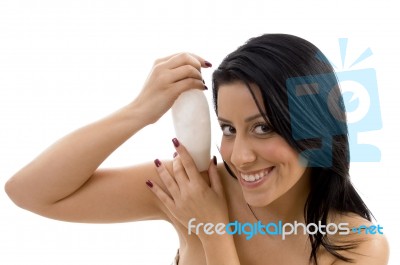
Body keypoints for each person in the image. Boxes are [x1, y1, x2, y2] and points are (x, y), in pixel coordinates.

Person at [5, 34, 389, 265]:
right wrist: (140, 111)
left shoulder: (356, 247)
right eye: (228, 128)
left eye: (262, 127)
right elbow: (29, 192)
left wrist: (212, 232)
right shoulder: (196, 187)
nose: (239, 156)